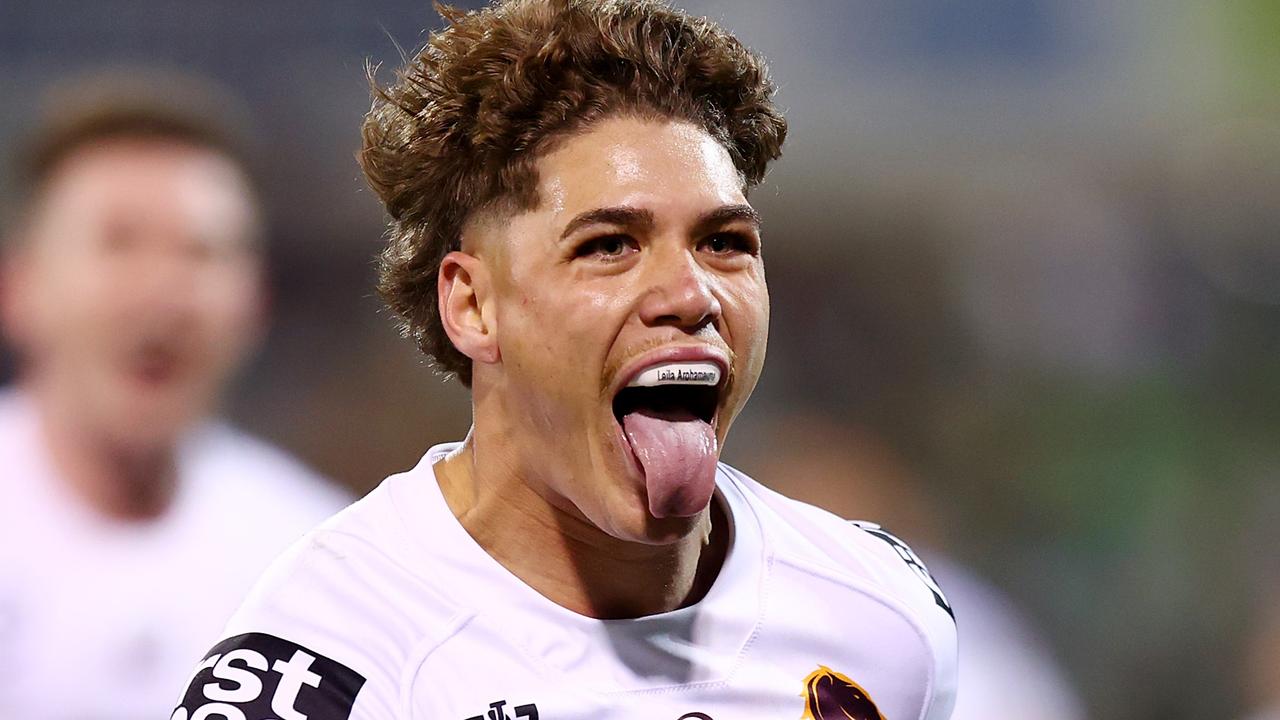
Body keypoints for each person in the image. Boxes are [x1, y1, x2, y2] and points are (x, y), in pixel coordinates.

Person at [173, 2, 957, 718]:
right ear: (473, 306)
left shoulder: (880, 619)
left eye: (725, 243)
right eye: (609, 246)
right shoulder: (331, 668)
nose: (690, 293)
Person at [0, 73, 350, 719]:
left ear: (258, 303)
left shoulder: (316, 562)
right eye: (119, 242)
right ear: (20, 289)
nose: (163, 291)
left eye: (202, 250)